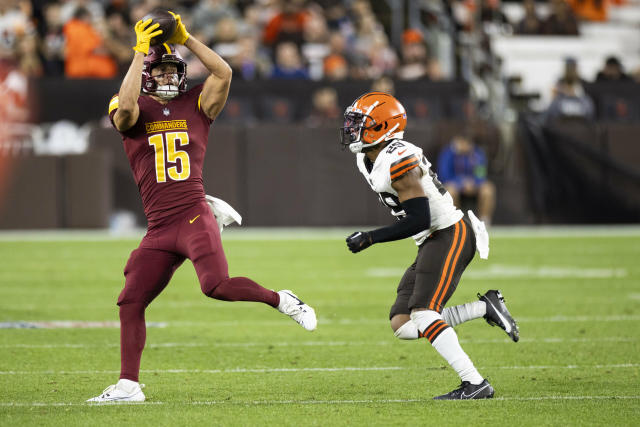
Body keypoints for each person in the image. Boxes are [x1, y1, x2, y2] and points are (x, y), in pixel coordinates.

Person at [87, 13, 317, 403]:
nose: (165, 77)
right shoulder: (133, 103)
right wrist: (139, 51)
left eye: (170, 70)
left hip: (194, 213)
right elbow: (124, 110)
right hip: (159, 227)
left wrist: (187, 38)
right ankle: (129, 386)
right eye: (157, 71)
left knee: (216, 286)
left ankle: (282, 299)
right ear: (146, 73)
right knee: (130, 299)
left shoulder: (196, 103)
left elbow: (224, 73)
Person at [341, 92, 519, 400]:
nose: (351, 128)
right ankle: (484, 307)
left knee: (423, 313)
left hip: (449, 233)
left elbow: (419, 219)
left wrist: (371, 237)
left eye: (359, 123)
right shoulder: (366, 157)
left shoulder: (399, 161)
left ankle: (475, 383)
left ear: (382, 127)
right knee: (403, 324)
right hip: (432, 238)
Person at [437, 135, 496, 224]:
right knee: (450, 191)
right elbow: (444, 175)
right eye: (462, 143)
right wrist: (461, 183)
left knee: (488, 189)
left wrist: (474, 183)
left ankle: (484, 222)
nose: (465, 146)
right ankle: (455, 222)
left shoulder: (477, 153)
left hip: (474, 186)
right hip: (455, 185)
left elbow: (481, 174)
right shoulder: (448, 153)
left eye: (468, 144)